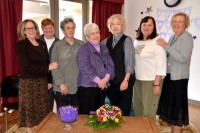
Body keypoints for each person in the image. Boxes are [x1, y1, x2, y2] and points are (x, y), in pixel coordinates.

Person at [16, 19, 58, 133]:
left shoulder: (42, 43)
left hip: (42, 82)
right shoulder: (21, 45)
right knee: (31, 112)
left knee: (42, 111)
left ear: (36, 29)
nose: (31, 30)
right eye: (28, 28)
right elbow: (26, 67)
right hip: (29, 84)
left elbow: (46, 63)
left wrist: (49, 80)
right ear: (23, 31)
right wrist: (47, 68)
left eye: (33, 28)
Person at [156, 12, 193, 133]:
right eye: (174, 21)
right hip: (169, 77)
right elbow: (169, 54)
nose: (176, 24)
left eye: (180, 21)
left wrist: (166, 46)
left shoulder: (187, 37)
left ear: (185, 24)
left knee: (177, 110)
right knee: (172, 108)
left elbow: (183, 58)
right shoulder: (173, 36)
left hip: (179, 79)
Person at [76, 23, 115, 114]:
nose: (96, 35)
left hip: (102, 86)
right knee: (86, 115)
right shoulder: (83, 49)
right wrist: (99, 81)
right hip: (88, 87)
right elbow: (85, 68)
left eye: (97, 32)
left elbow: (110, 65)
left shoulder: (104, 48)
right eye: (92, 33)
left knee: (99, 114)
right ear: (87, 37)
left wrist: (105, 79)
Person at [101, 14, 135, 116]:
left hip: (124, 80)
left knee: (124, 111)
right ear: (109, 27)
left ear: (122, 26)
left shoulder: (127, 40)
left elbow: (130, 63)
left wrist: (126, 80)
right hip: (111, 83)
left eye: (118, 24)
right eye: (113, 24)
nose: (115, 26)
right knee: (115, 110)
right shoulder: (104, 42)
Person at [133, 16, 167, 119]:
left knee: (148, 113)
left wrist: (156, 84)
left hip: (151, 81)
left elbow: (161, 64)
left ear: (154, 27)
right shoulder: (136, 41)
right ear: (140, 26)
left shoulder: (157, 41)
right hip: (137, 80)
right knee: (138, 109)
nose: (146, 27)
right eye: (144, 24)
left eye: (149, 25)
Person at [51, 17, 84, 109]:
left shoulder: (82, 44)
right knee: (63, 115)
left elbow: (85, 65)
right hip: (62, 87)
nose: (71, 30)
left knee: (78, 114)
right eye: (68, 28)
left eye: (73, 27)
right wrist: (61, 83)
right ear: (63, 30)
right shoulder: (57, 46)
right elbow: (54, 67)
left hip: (78, 86)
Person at [40, 18, 59, 111]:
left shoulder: (59, 43)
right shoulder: (36, 42)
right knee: (39, 106)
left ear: (54, 28)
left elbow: (60, 64)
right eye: (45, 28)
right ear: (42, 29)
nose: (48, 30)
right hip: (40, 79)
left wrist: (50, 81)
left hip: (55, 80)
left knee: (50, 106)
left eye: (50, 27)